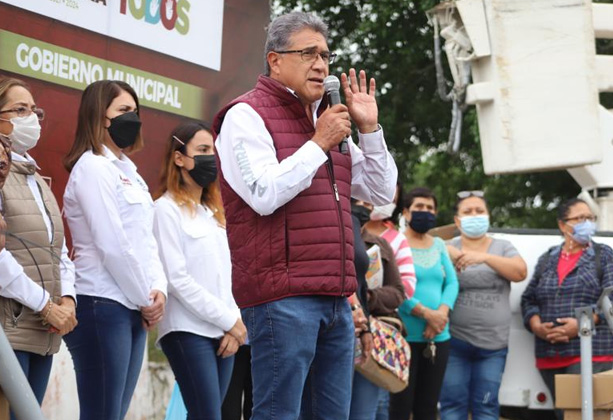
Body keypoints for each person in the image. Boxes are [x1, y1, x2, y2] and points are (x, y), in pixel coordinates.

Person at [212, 11, 397, 419]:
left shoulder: (327, 121)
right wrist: (318, 143)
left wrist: (370, 130)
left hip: (336, 299)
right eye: (308, 53)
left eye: (326, 56)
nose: (320, 65)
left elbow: (382, 194)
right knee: (278, 413)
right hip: (282, 298)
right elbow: (263, 193)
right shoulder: (246, 115)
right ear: (275, 60)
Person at [62, 80, 168, 420]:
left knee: (114, 414)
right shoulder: (92, 167)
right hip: (101, 303)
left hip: (132, 306)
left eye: (135, 111)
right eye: (123, 110)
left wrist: (158, 289)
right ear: (99, 115)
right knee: (102, 413)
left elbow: (146, 240)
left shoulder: (130, 173)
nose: (132, 118)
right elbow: (112, 245)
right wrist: (144, 298)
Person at [152, 122, 247, 420]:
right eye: (203, 150)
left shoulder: (213, 215)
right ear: (179, 158)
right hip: (187, 329)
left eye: (213, 152)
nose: (211, 158)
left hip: (224, 331)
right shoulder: (165, 209)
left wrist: (233, 324)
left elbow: (230, 275)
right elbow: (177, 279)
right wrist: (229, 320)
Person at [0, 77, 78, 413]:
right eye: (20, 110)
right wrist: (46, 305)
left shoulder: (35, 177)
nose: (30, 118)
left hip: (44, 333)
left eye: (34, 111)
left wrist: (68, 299)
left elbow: (57, 249)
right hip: (11, 329)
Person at [520, 198, 613, 420]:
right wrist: (537, 326)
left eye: (590, 218)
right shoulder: (547, 259)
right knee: (565, 415)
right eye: (580, 218)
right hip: (550, 354)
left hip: (592, 352)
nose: (587, 223)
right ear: (563, 225)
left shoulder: (602, 254)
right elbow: (528, 299)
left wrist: (583, 324)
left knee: (583, 414)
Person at [439, 190, 527, 420]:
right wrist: (445, 250)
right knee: (451, 407)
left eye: (479, 211)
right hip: (454, 342)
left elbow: (520, 272)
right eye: (467, 211)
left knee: (486, 407)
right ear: (457, 220)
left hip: (493, 346)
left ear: (488, 216)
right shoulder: (447, 247)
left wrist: (485, 258)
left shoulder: (503, 247)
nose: (474, 215)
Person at [390, 187, 459, 420]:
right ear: (406, 212)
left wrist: (440, 314)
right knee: (400, 407)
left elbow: (452, 282)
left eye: (430, 208)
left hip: (438, 337)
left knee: (428, 408)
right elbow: (395, 286)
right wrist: (426, 314)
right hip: (404, 337)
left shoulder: (439, 244)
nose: (425, 211)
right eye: (419, 207)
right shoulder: (396, 242)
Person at [361, 182, 415, 420]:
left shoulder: (386, 243)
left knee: (373, 408)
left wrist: (367, 297)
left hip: (375, 335)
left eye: (390, 198)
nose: (368, 204)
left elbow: (403, 290)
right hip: (335, 333)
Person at [349, 200, 405, 420]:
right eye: (357, 201)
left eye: (368, 203)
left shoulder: (379, 245)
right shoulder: (330, 237)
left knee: (364, 412)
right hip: (335, 333)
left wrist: (366, 297)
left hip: (370, 342)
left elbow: (398, 292)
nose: (363, 206)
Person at [362, 181, 417, 299]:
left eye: (392, 200)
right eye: (380, 195)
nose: (383, 202)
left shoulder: (398, 240)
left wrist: (370, 297)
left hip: (378, 307)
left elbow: (408, 286)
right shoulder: (346, 229)